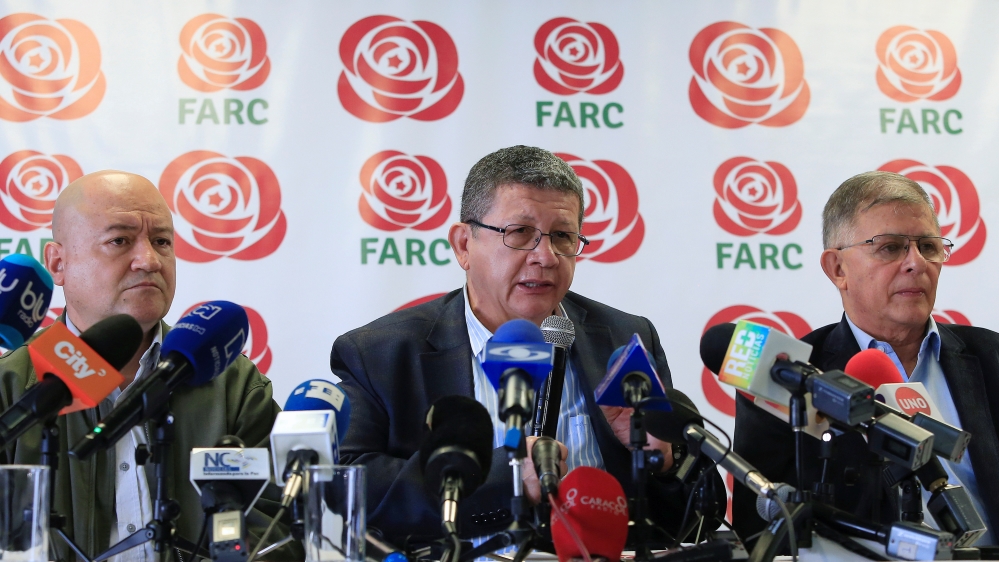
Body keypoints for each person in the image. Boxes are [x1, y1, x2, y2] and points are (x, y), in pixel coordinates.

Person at [332, 145, 718, 545]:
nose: (546, 257)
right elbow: (349, 488)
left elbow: (698, 516)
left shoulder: (624, 339)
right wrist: (505, 478)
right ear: (463, 245)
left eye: (563, 236)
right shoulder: (380, 353)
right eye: (520, 233)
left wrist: (660, 459)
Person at [0, 171, 289, 562]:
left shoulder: (232, 385)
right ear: (58, 262)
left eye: (162, 241)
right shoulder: (10, 385)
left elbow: (276, 528)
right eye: (119, 241)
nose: (149, 260)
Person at [732, 171, 999, 546]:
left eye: (927, 246)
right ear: (838, 269)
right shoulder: (787, 377)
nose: (916, 263)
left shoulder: (991, 357)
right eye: (890, 248)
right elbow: (759, 531)